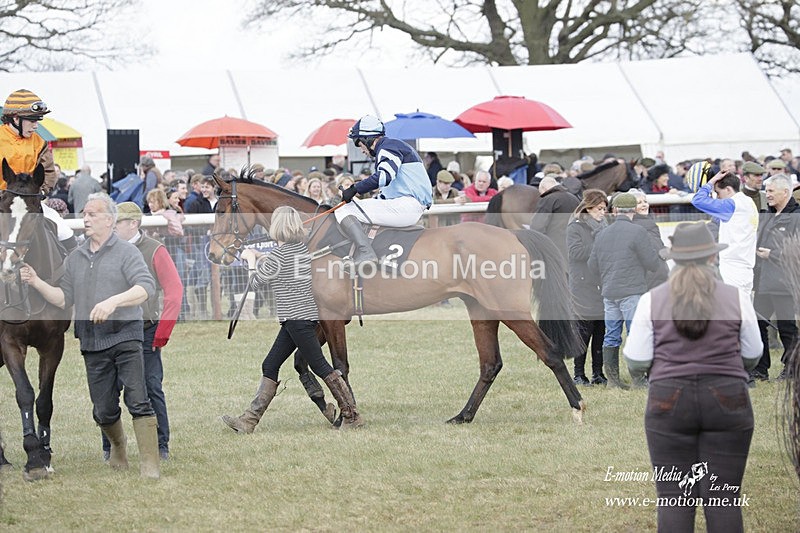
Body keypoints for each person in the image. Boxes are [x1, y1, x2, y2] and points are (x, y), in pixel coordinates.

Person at [624, 221, 762, 532]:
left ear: (674, 258)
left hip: (668, 399)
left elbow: (636, 359)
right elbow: (753, 353)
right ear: (712, 257)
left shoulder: (652, 299)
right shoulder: (736, 297)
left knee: (674, 498)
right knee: (723, 499)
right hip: (728, 397)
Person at [19, 193, 160, 479]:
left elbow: (146, 288)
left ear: (109, 219)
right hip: (92, 342)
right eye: (84, 213)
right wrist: (36, 282)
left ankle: (150, 463)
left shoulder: (126, 252)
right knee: (103, 410)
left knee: (137, 399)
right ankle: (118, 447)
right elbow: (63, 298)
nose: (86, 218)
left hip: (126, 337)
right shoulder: (76, 257)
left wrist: (113, 302)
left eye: (93, 214)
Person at [221, 206, 362, 432]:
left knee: (320, 366)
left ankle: (352, 415)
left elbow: (256, 282)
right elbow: (280, 264)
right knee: (270, 364)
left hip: (296, 320)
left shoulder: (279, 255)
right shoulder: (300, 249)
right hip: (298, 319)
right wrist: (263, 258)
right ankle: (248, 421)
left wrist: (249, 260)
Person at [97, 202, 182, 461]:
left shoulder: (155, 250)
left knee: (150, 387)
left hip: (145, 331)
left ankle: (161, 446)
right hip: (109, 330)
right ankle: (111, 447)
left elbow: (174, 290)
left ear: (133, 223)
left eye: (117, 222)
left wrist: (162, 332)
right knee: (107, 391)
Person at [588, 193, 663, 389]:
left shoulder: (602, 233)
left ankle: (613, 380)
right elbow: (652, 263)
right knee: (635, 334)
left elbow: (592, 266)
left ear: (615, 211)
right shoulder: (638, 231)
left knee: (611, 336)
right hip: (632, 291)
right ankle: (639, 380)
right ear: (632, 211)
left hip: (609, 292)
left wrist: (604, 281)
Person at [337, 115, 432, 265]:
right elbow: (388, 191)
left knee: (343, 210)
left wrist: (355, 188)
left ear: (368, 139)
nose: (361, 149)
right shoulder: (391, 147)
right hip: (407, 206)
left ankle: (365, 253)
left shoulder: (388, 146)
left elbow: (384, 176)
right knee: (355, 206)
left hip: (407, 207)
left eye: (359, 143)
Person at [0, 89, 76, 247]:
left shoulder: (39, 142)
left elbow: (48, 172)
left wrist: (41, 191)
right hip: (3, 201)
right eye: (32, 120)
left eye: (38, 121)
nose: (36, 126)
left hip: (29, 201)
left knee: (66, 233)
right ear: (15, 118)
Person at [751, 174, 800, 381]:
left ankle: (792, 370)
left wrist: (772, 254)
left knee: (786, 327)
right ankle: (760, 369)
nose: (767, 195)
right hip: (764, 282)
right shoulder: (768, 214)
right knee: (758, 324)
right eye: (767, 190)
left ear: (786, 192)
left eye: (771, 191)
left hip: (784, 282)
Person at [690, 170, 759, 295]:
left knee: (729, 311)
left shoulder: (731, 204)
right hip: (746, 268)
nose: (718, 197)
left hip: (732, 268)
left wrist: (711, 182)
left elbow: (697, 200)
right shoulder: (748, 201)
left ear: (728, 189)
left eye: (718, 193)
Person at [566, 189, 608, 385]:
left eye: (605, 208)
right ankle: (578, 373)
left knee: (601, 330)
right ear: (589, 208)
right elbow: (576, 253)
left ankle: (598, 373)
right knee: (583, 331)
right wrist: (599, 245)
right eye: (599, 208)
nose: (603, 212)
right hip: (582, 284)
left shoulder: (605, 227)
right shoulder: (575, 227)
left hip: (601, 282)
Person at [530, 175, 580, 264]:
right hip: (573, 244)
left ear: (543, 188)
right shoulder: (574, 198)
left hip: (553, 246)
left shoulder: (548, 199)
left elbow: (537, 226)